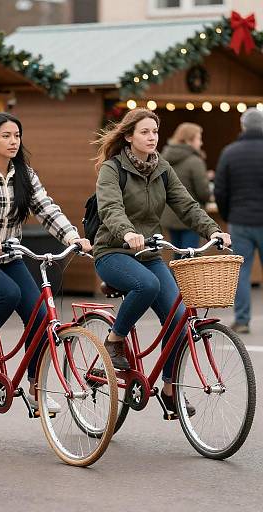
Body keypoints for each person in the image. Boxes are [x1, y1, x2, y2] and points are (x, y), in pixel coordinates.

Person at [0, 112, 91, 412]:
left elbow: (46, 208)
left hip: (9, 255)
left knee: (40, 316)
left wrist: (72, 237)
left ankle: (36, 386)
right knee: (7, 293)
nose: (13, 142)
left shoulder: (25, 174)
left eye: (17, 136)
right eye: (6, 136)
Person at [93, 108, 230, 417]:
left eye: (154, 131)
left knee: (179, 318)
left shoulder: (162, 168)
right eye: (144, 132)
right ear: (129, 137)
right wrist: (127, 233)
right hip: (112, 252)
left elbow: (186, 204)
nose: (151, 136)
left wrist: (213, 230)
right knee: (147, 284)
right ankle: (115, 340)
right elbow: (111, 207)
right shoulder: (112, 169)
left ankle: (169, 390)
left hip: (149, 253)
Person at [214, 107, 263, 334]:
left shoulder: (230, 152)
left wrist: (227, 215)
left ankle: (242, 320)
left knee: (241, 272)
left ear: (243, 126)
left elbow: (221, 190)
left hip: (240, 220)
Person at [160, 123, 211, 254]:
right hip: (191, 217)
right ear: (189, 140)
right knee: (190, 258)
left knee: (177, 255)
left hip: (170, 214)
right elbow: (204, 192)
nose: (201, 143)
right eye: (199, 138)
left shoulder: (164, 158)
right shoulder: (195, 161)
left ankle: (173, 276)